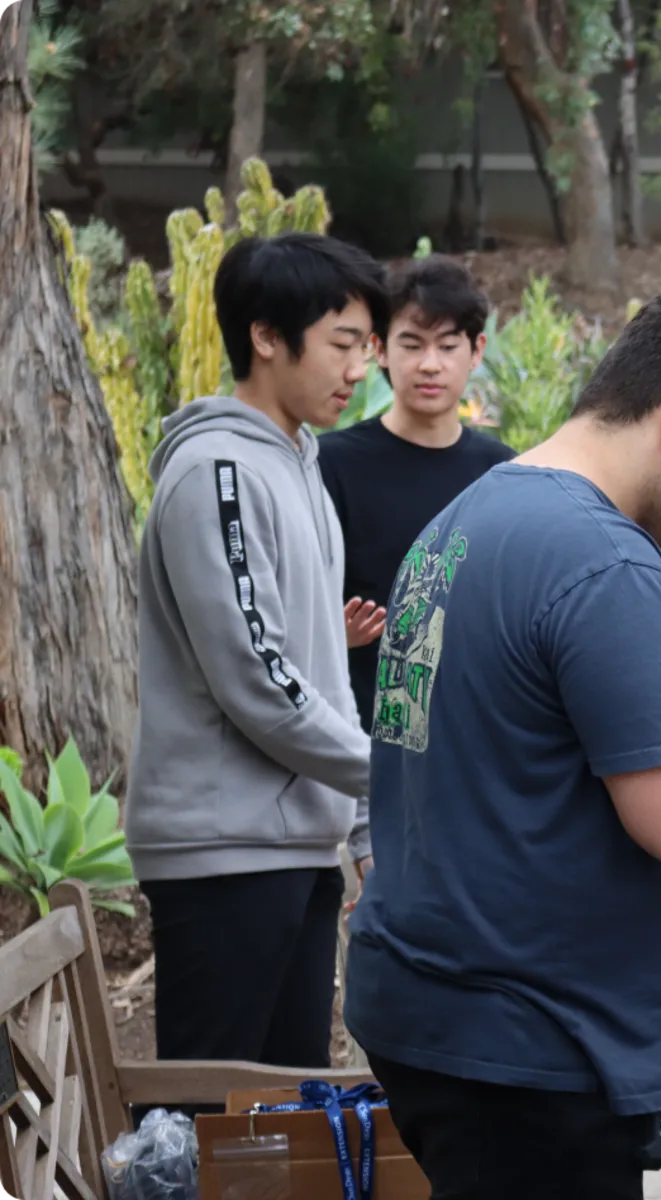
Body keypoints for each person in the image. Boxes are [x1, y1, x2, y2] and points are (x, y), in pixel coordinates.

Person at [344, 284, 661, 1198]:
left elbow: (527, 763)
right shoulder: (604, 559)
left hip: (434, 1008)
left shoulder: (464, 519)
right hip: (529, 1043)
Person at [125, 232, 386, 1066]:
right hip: (224, 856)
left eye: (364, 348)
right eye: (342, 345)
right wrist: (401, 774)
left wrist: (367, 828)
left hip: (292, 846)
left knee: (283, 1124)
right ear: (267, 336)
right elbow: (260, 679)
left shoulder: (296, 463)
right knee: (211, 1129)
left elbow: (320, 673)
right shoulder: (218, 474)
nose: (358, 371)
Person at [319, 255, 514, 731]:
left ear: (477, 350)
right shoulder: (331, 465)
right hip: (354, 741)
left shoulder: (502, 472)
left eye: (448, 346)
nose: (430, 364)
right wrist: (327, 636)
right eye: (412, 344)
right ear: (379, 350)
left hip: (470, 734)